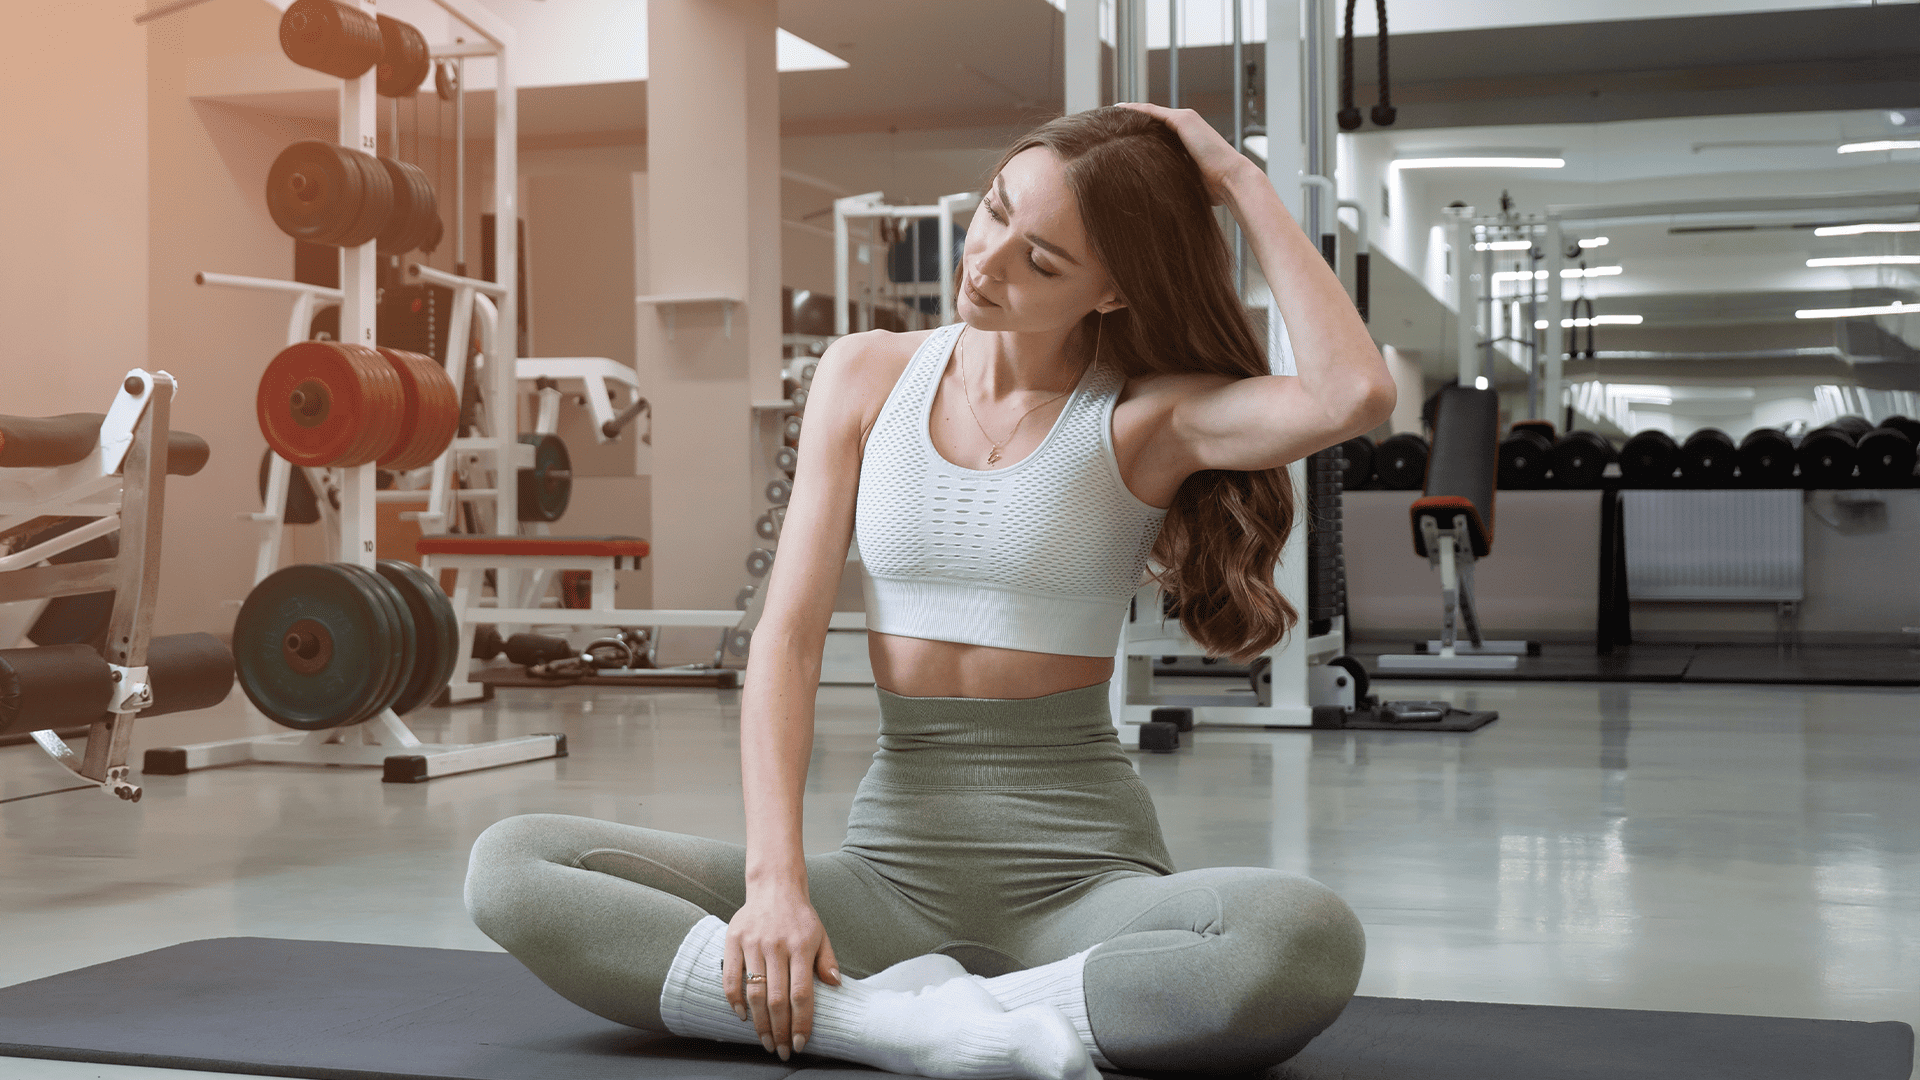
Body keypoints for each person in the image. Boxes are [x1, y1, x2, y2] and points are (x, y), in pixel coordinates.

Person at [464, 103, 1393, 1078]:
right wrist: (774, 884)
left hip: (1079, 887)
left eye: (1041, 262)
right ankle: (909, 1032)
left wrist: (1238, 182)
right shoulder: (867, 375)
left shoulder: (1144, 419)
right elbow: (787, 638)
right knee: (515, 866)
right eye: (992, 212)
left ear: (1113, 292)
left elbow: (1352, 395)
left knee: (1303, 938)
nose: (984, 263)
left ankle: (913, 1012)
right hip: (885, 880)